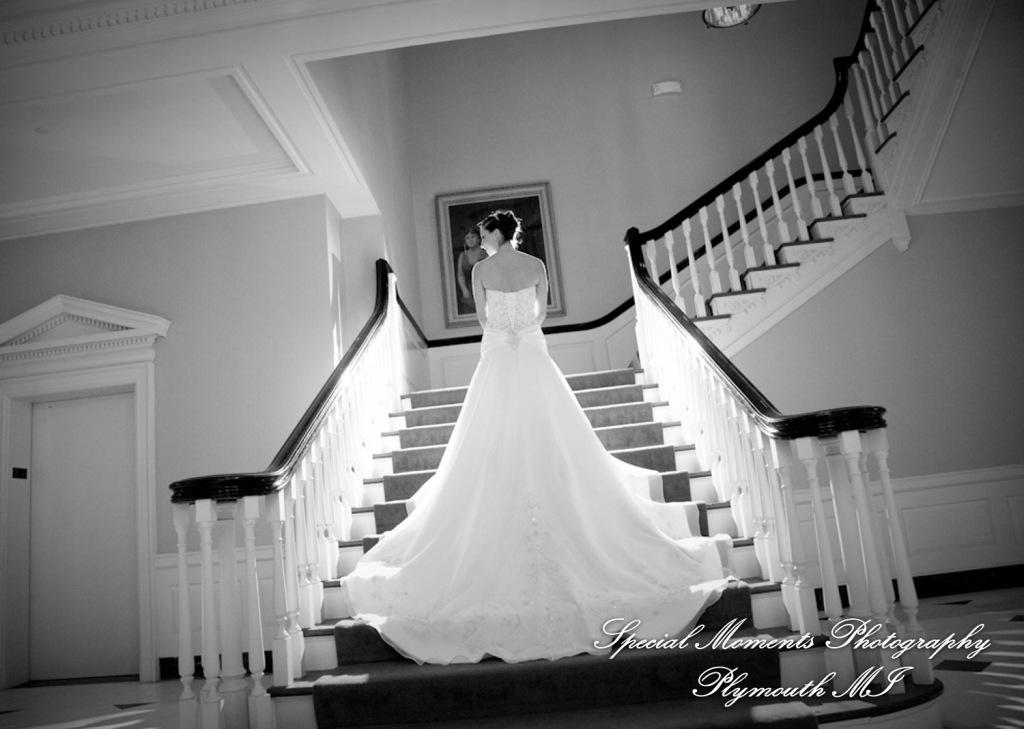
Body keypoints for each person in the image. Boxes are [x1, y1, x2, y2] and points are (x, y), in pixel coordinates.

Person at [339, 210, 734, 665]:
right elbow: (541, 313)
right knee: (553, 431)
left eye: (484, 233)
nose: (481, 239)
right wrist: (522, 329)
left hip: (497, 356)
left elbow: (483, 318)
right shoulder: (536, 266)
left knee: (491, 436)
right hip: (532, 351)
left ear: (496, 232)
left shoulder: (481, 270)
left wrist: (503, 330)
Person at [455, 228, 487, 314]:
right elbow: (460, 274)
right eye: (467, 238)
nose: (470, 240)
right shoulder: (463, 255)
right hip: (469, 290)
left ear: (479, 239)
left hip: (485, 289)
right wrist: (464, 289)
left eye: (473, 237)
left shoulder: (485, 253)